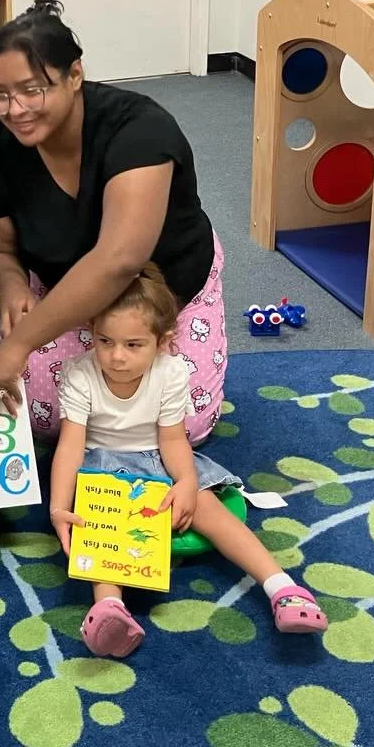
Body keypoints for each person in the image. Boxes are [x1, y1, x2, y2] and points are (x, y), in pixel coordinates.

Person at [0, 0, 227, 442]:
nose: (16, 109)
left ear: (74, 75)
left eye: (33, 89)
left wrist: (18, 344)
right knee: (40, 420)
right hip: (63, 282)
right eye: (1, 94)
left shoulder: (140, 130)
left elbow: (118, 260)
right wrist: (12, 286)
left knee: (184, 425)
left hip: (164, 286)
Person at [49, 266, 328, 658]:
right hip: (103, 467)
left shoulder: (170, 372)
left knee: (210, 510)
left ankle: (282, 588)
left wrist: (183, 482)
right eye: (104, 340)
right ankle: (108, 608)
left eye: (133, 345)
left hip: (160, 457)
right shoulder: (80, 374)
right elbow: (70, 445)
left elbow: (172, 439)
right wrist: (60, 506)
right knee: (102, 531)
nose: (116, 356)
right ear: (91, 331)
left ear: (162, 342)